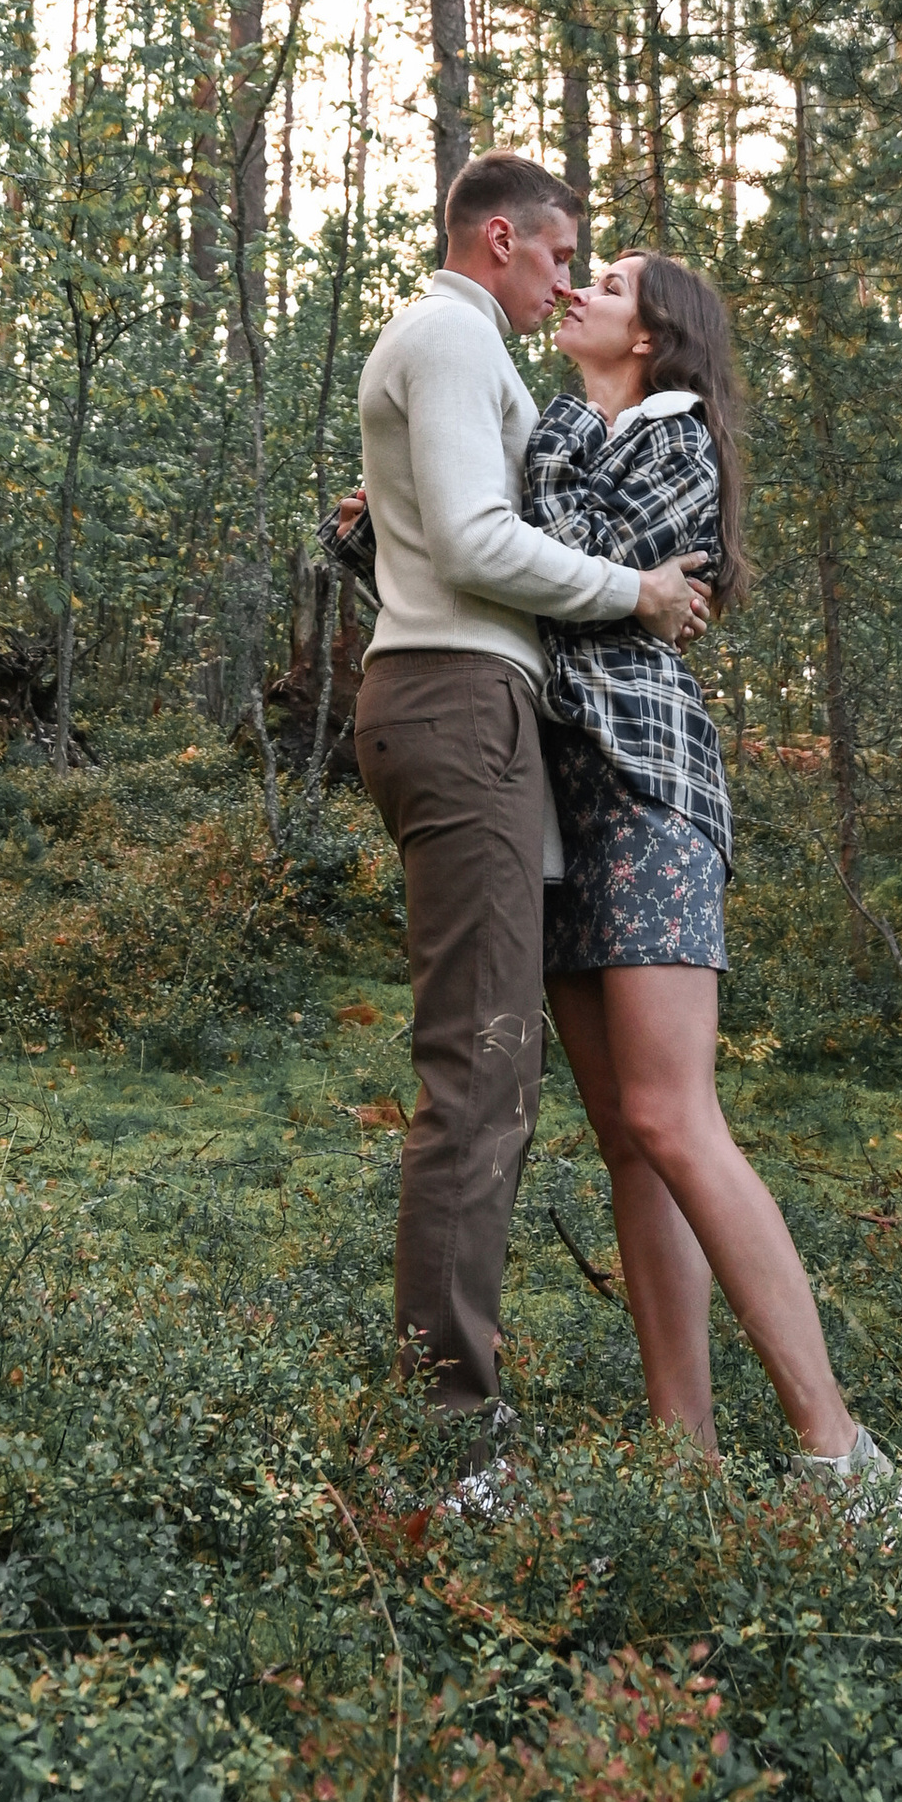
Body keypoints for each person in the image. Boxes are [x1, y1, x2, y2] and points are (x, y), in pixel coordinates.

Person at [531, 248, 902, 1523]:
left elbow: (580, 568)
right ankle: (679, 1461)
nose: (580, 286)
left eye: (613, 281)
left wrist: (501, 505)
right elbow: (518, 588)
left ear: (652, 336)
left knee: (671, 1114)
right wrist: (379, 538)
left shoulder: (674, 440)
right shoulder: (559, 424)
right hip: (547, 792)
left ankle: (838, 1453)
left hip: (645, 785)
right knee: (626, 1142)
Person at [337, 152, 711, 1431]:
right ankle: (449, 1430)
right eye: (560, 258)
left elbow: (448, 526)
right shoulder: (449, 340)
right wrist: (641, 594)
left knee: (493, 1067)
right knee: (481, 1072)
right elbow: (476, 544)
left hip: (474, 706)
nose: (565, 285)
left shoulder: (470, 360)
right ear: (499, 239)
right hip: (455, 704)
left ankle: (463, 1414)